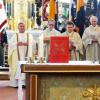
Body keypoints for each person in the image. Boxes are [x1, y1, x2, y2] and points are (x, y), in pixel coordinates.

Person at [8, 22, 36, 87]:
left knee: (26, 65)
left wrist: (28, 43)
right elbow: (10, 44)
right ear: (18, 27)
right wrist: (16, 44)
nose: (22, 27)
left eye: (23, 26)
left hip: (26, 53)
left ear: (25, 27)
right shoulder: (15, 36)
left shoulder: (29, 35)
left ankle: (25, 83)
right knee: (17, 67)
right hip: (17, 54)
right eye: (20, 26)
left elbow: (34, 43)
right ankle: (16, 83)